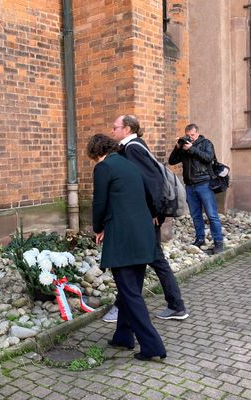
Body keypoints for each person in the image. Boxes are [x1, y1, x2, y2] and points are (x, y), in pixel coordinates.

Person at [87, 133, 167, 361]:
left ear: (96, 152)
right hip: (142, 235)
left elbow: (99, 201)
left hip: (122, 237)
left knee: (130, 293)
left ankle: (153, 346)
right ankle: (123, 336)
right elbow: (148, 196)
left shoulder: (104, 168)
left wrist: (97, 227)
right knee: (129, 290)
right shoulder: (130, 165)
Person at [102, 115, 188, 323]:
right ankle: (171, 305)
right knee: (149, 259)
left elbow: (152, 182)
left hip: (147, 218)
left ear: (128, 128)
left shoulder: (133, 149)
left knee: (152, 259)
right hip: (145, 216)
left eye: (116, 127)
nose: (113, 131)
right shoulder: (133, 147)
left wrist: (154, 213)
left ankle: (172, 305)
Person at [169, 124, 224, 254]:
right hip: (190, 185)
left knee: (212, 215)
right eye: (188, 135)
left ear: (197, 133)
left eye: (192, 135)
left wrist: (192, 148)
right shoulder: (183, 146)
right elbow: (172, 161)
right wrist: (177, 148)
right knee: (195, 215)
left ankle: (218, 243)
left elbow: (209, 158)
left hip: (204, 184)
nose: (190, 138)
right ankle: (200, 239)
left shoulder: (206, 143)